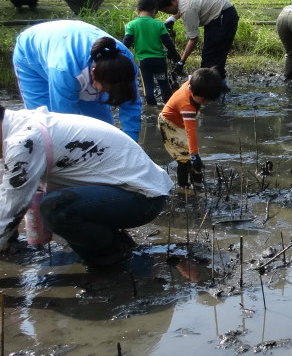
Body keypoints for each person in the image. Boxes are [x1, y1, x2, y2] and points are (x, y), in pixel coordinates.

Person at [0, 104, 172, 266]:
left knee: (55, 209)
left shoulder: (24, 141)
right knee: (51, 202)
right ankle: (115, 241)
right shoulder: (22, 122)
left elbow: (11, 208)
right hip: (125, 191)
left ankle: (112, 256)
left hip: (144, 199)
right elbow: (8, 192)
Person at [12, 20, 143, 141]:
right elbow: (65, 121)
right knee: (44, 126)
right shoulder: (66, 70)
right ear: (93, 74)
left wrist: (131, 144)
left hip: (70, 45)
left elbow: (131, 106)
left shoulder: (126, 66)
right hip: (31, 55)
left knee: (103, 130)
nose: (103, 93)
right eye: (104, 89)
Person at [151, 0, 238, 89]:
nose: (167, 13)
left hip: (224, 17)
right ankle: (221, 87)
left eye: (167, 10)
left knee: (211, 59)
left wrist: (181, 62)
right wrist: (172, 18)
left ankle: (214, 91)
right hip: (217, 14)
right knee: (212, 58)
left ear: (173, 1)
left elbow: (193, 39)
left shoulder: (187, 9)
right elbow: (180, 9)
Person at [159, 68, 225, 189]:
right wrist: (195, 155)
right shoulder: (187, 106)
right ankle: (183, 187)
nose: (205, 103)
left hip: (180, 122)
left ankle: (197, 184)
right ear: (195, 92)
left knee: (189, 155)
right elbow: (191, 131)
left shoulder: (194, 82)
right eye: (204, 100)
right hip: (169, 125)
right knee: (184, 157)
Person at [123, 0, 180, 106]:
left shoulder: (132, 25)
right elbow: (168, 43)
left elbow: (126, 44)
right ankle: (168, 108)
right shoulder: (159, 24)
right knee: (164, 85)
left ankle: (151, 113)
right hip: (160, 62)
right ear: (154, 11)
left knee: (148, 87)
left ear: (138, 11)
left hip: (145, 63)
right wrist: (174, 55)